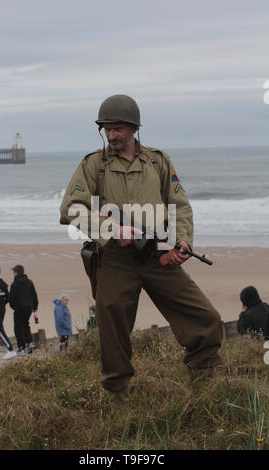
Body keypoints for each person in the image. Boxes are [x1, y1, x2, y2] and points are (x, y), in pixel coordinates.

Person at [60, 94, 223, 413]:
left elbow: (180, 207)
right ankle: (117, 401)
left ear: (134, 128)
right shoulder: (94, 164)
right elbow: (71, 210)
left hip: (159, 254)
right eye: (106, 128)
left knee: (205, 318)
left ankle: (206, 391)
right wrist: (111, 230)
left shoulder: (159, 162)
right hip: (116, 260)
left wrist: (182, 242)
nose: (112, 135)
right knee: (112, 330)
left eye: (118, 128)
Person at [9, 265, 39, 355]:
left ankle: (21, 348)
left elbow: (11, 299)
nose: (13, 274)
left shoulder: (14, 284)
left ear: (16, 273)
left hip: (19, 308)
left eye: (13, 272)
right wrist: (34, 307)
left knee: (18, 327)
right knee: (25, 325)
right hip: (28, 308)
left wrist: (14, 307)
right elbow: (34, 296)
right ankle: (30, 343)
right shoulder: (29, 282)